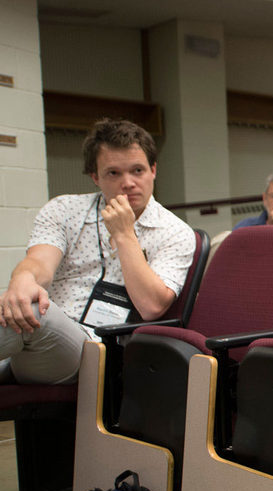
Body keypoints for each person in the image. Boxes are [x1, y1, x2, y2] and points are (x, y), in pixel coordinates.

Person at [0, 119, 194, 385]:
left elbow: (151, 306)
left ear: (153, 170)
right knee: (16, 302)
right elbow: (39, 264)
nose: (128, 183)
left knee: (33, 313)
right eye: (113, 173)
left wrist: (124, 234)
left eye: (137, 170)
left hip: (97, 351)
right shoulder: (64, 210)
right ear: (95, 177)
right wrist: (22, 280)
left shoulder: (176, 232)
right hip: (37, 344)